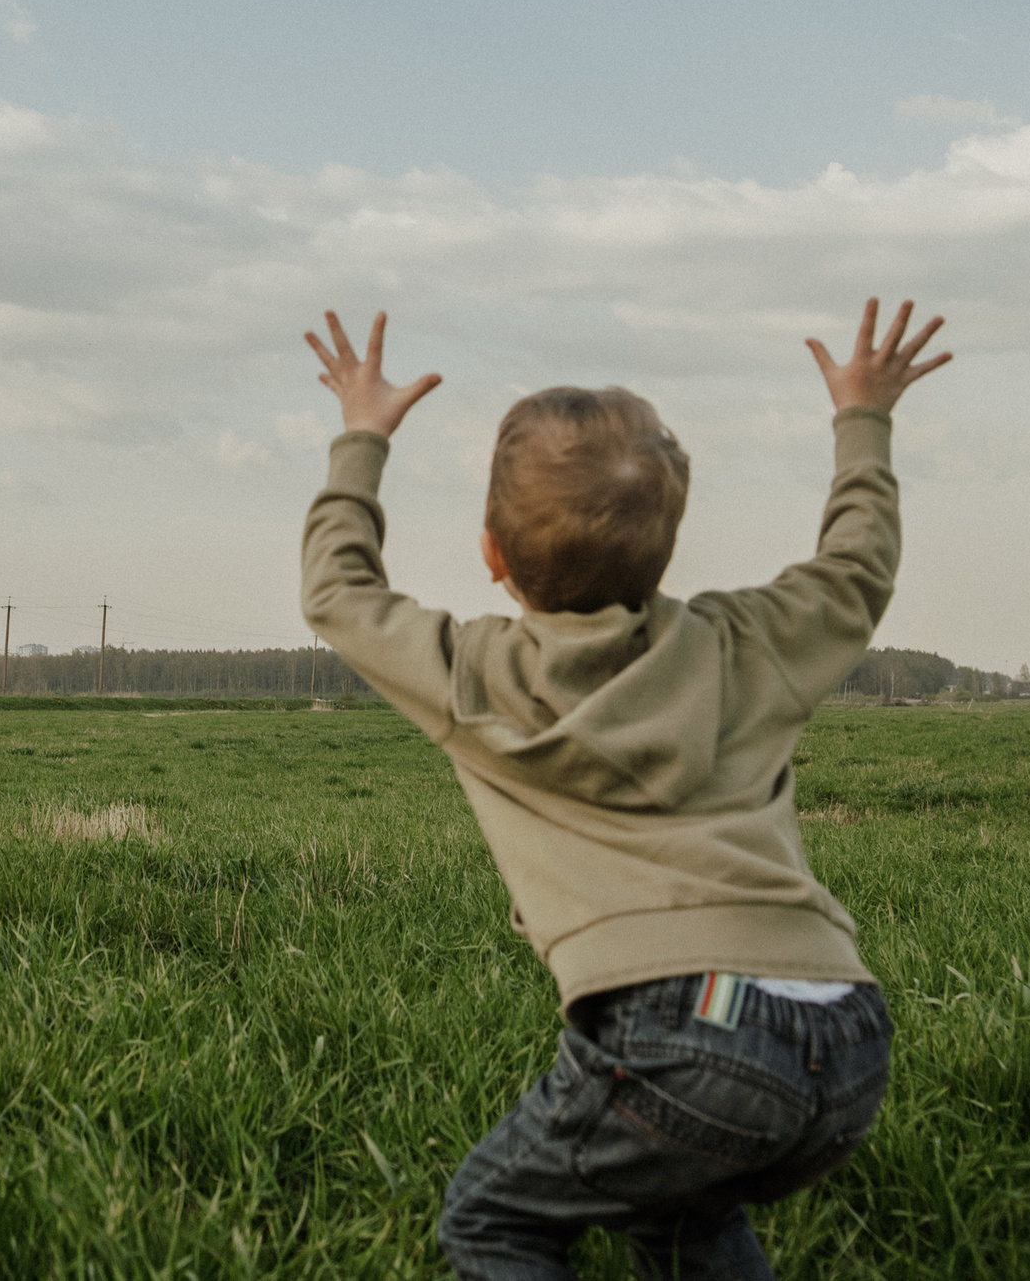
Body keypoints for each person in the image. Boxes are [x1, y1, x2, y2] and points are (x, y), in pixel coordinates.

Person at [297, 299, 950, 1281]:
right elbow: (855, 567)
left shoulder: (477, 673)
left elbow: (337, 590)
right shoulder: (746, 644)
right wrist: (863, 417)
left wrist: (361, 435)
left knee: (491, 1219)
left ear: (491, 555)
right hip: (845, 1030)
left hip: (683, 1036)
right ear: (666, 547)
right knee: (678, 1202)